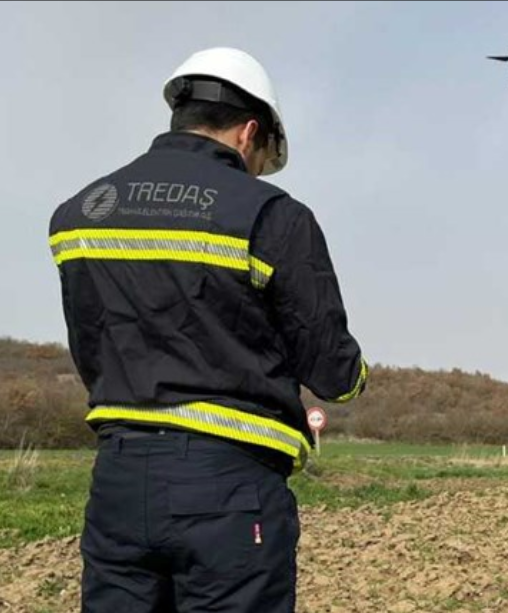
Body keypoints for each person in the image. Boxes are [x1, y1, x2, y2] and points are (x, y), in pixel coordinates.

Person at [48, 47, 367, 612]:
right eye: (264, 155)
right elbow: (333, 372)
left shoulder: (80, 213)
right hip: (231, 487)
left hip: (119, 481)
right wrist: (357, 377)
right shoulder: (273, 216)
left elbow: (91, 343)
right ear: (250, 133)